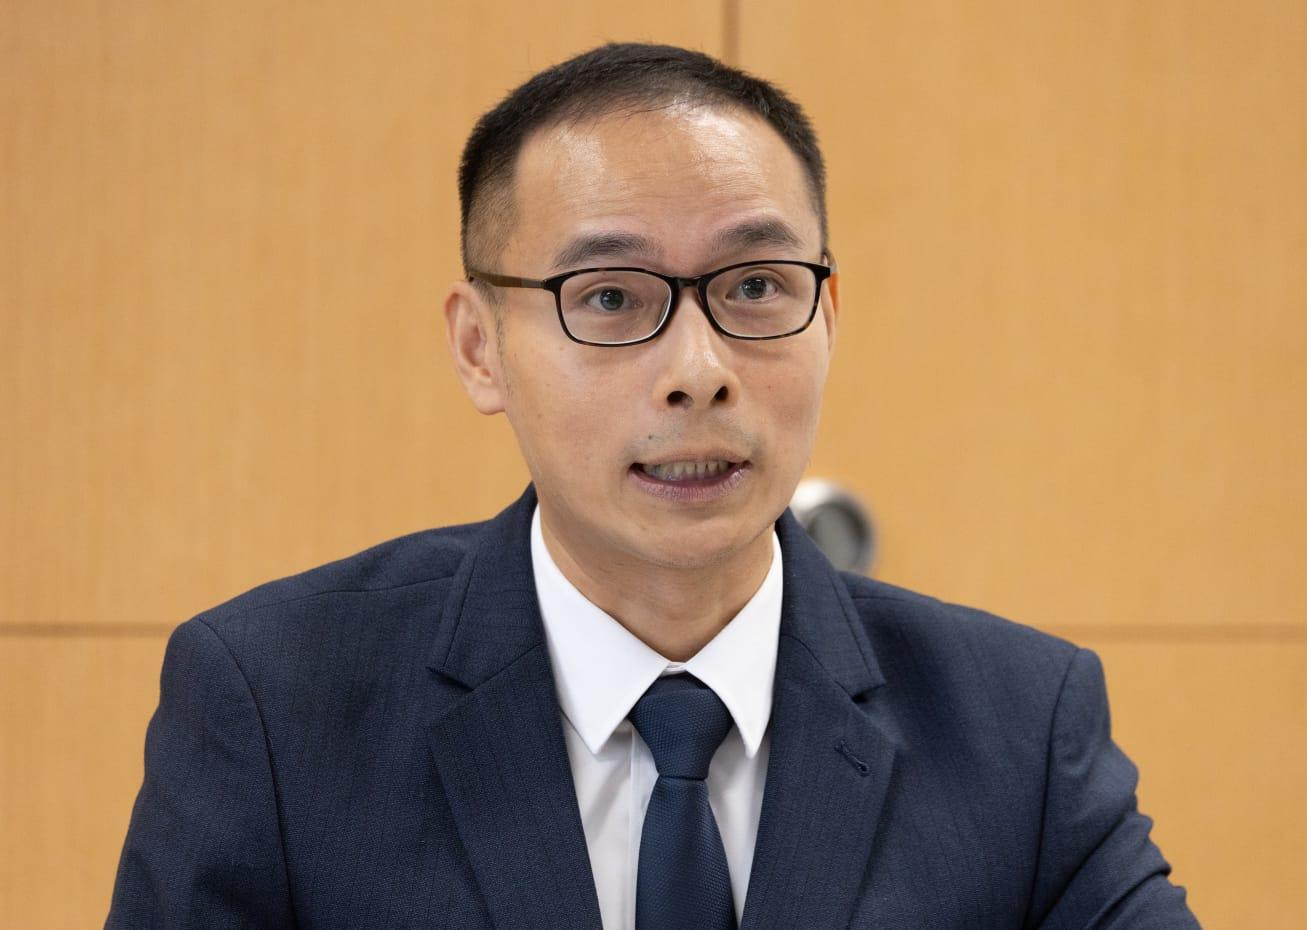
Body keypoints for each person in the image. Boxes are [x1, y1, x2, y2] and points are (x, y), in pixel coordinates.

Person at [105, 42, 1201, 930]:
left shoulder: (1019, 727)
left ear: (828, 317)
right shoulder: (276, 708)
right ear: (481, 349)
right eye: (611, 297)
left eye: (757, 285)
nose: (698, 371)